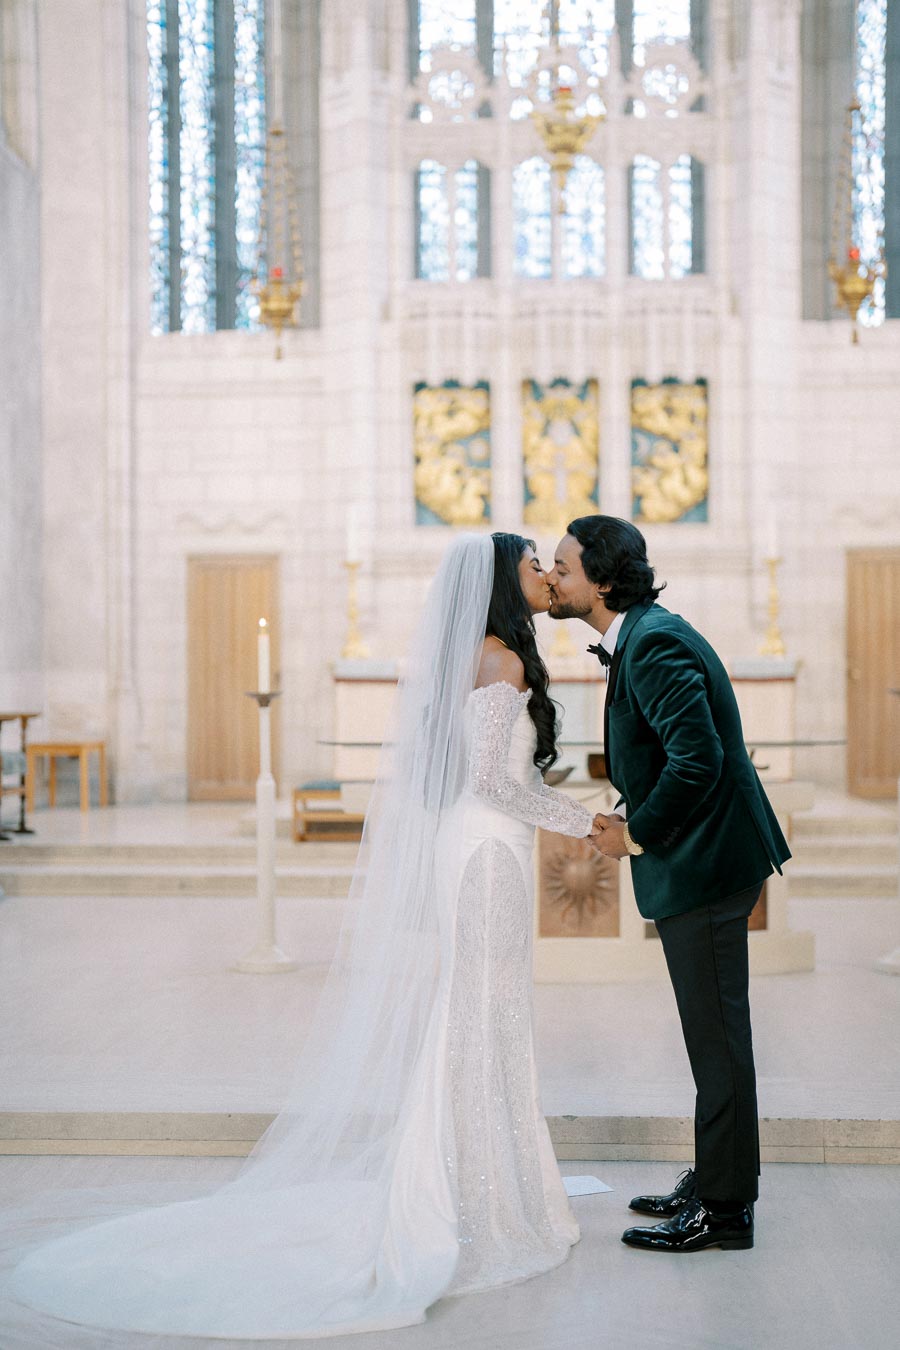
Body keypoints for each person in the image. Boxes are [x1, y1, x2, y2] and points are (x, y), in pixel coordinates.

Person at [6, 532, 596, 1344]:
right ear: (503, 579)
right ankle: (479, 1196)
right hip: (487, 851)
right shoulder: (501, 663)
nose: (543, 573)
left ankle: (485, 1182)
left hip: (484, 848)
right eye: (532, 562)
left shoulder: (481, 655)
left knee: (483, 1013)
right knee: (482, 1014)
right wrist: (587, 823)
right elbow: (492, 780)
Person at [547, 515, 791, 1254]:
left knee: (717, 1042)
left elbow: (698, 760)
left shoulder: (650, 644)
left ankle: (724, 1212)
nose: (553, 577)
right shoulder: (645, 632)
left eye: (562, 566)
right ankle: (718, 1176)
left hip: (707, 865)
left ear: (604, 580)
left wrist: (637, 831)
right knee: (711, 1037)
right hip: (706, 858)